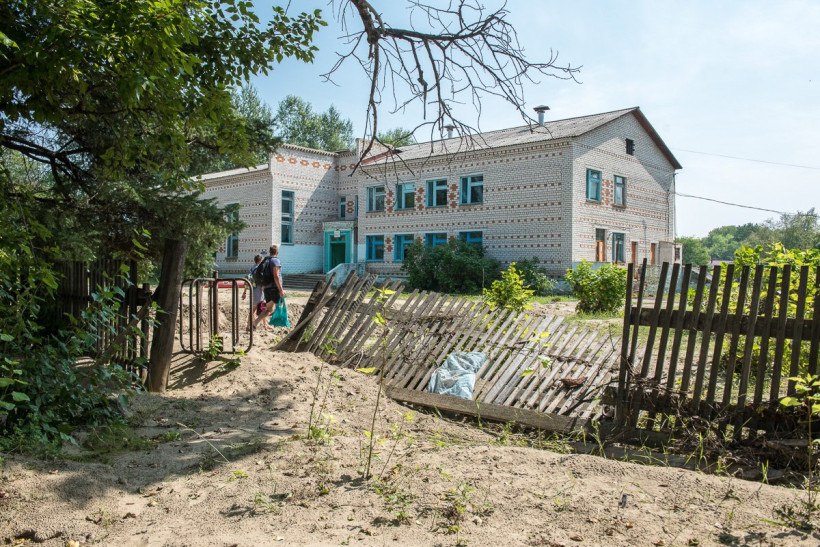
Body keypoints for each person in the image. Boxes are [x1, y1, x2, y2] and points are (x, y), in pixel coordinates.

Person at [253, 244, 285, 330]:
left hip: (267, 288)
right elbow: (276, 276)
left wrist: (263, 286)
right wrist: (281, 290)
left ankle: (255, 323)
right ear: (277, 252)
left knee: (269, 309)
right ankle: (279, 324)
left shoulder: (266, 260)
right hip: (275, 288)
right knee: (280, 305)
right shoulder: (275, 261)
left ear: (270, 252)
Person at [242, 254, 269, 330]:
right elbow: (261, 281)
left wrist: (244, 292)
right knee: (261, 308)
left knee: (257, 309)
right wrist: (265, 292)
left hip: (252, 291)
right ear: (260, 260)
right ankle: (262, 326)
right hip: (259, 292)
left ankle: (249, 326)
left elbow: (247, 281)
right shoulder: (260, 269)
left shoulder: (251, 268)